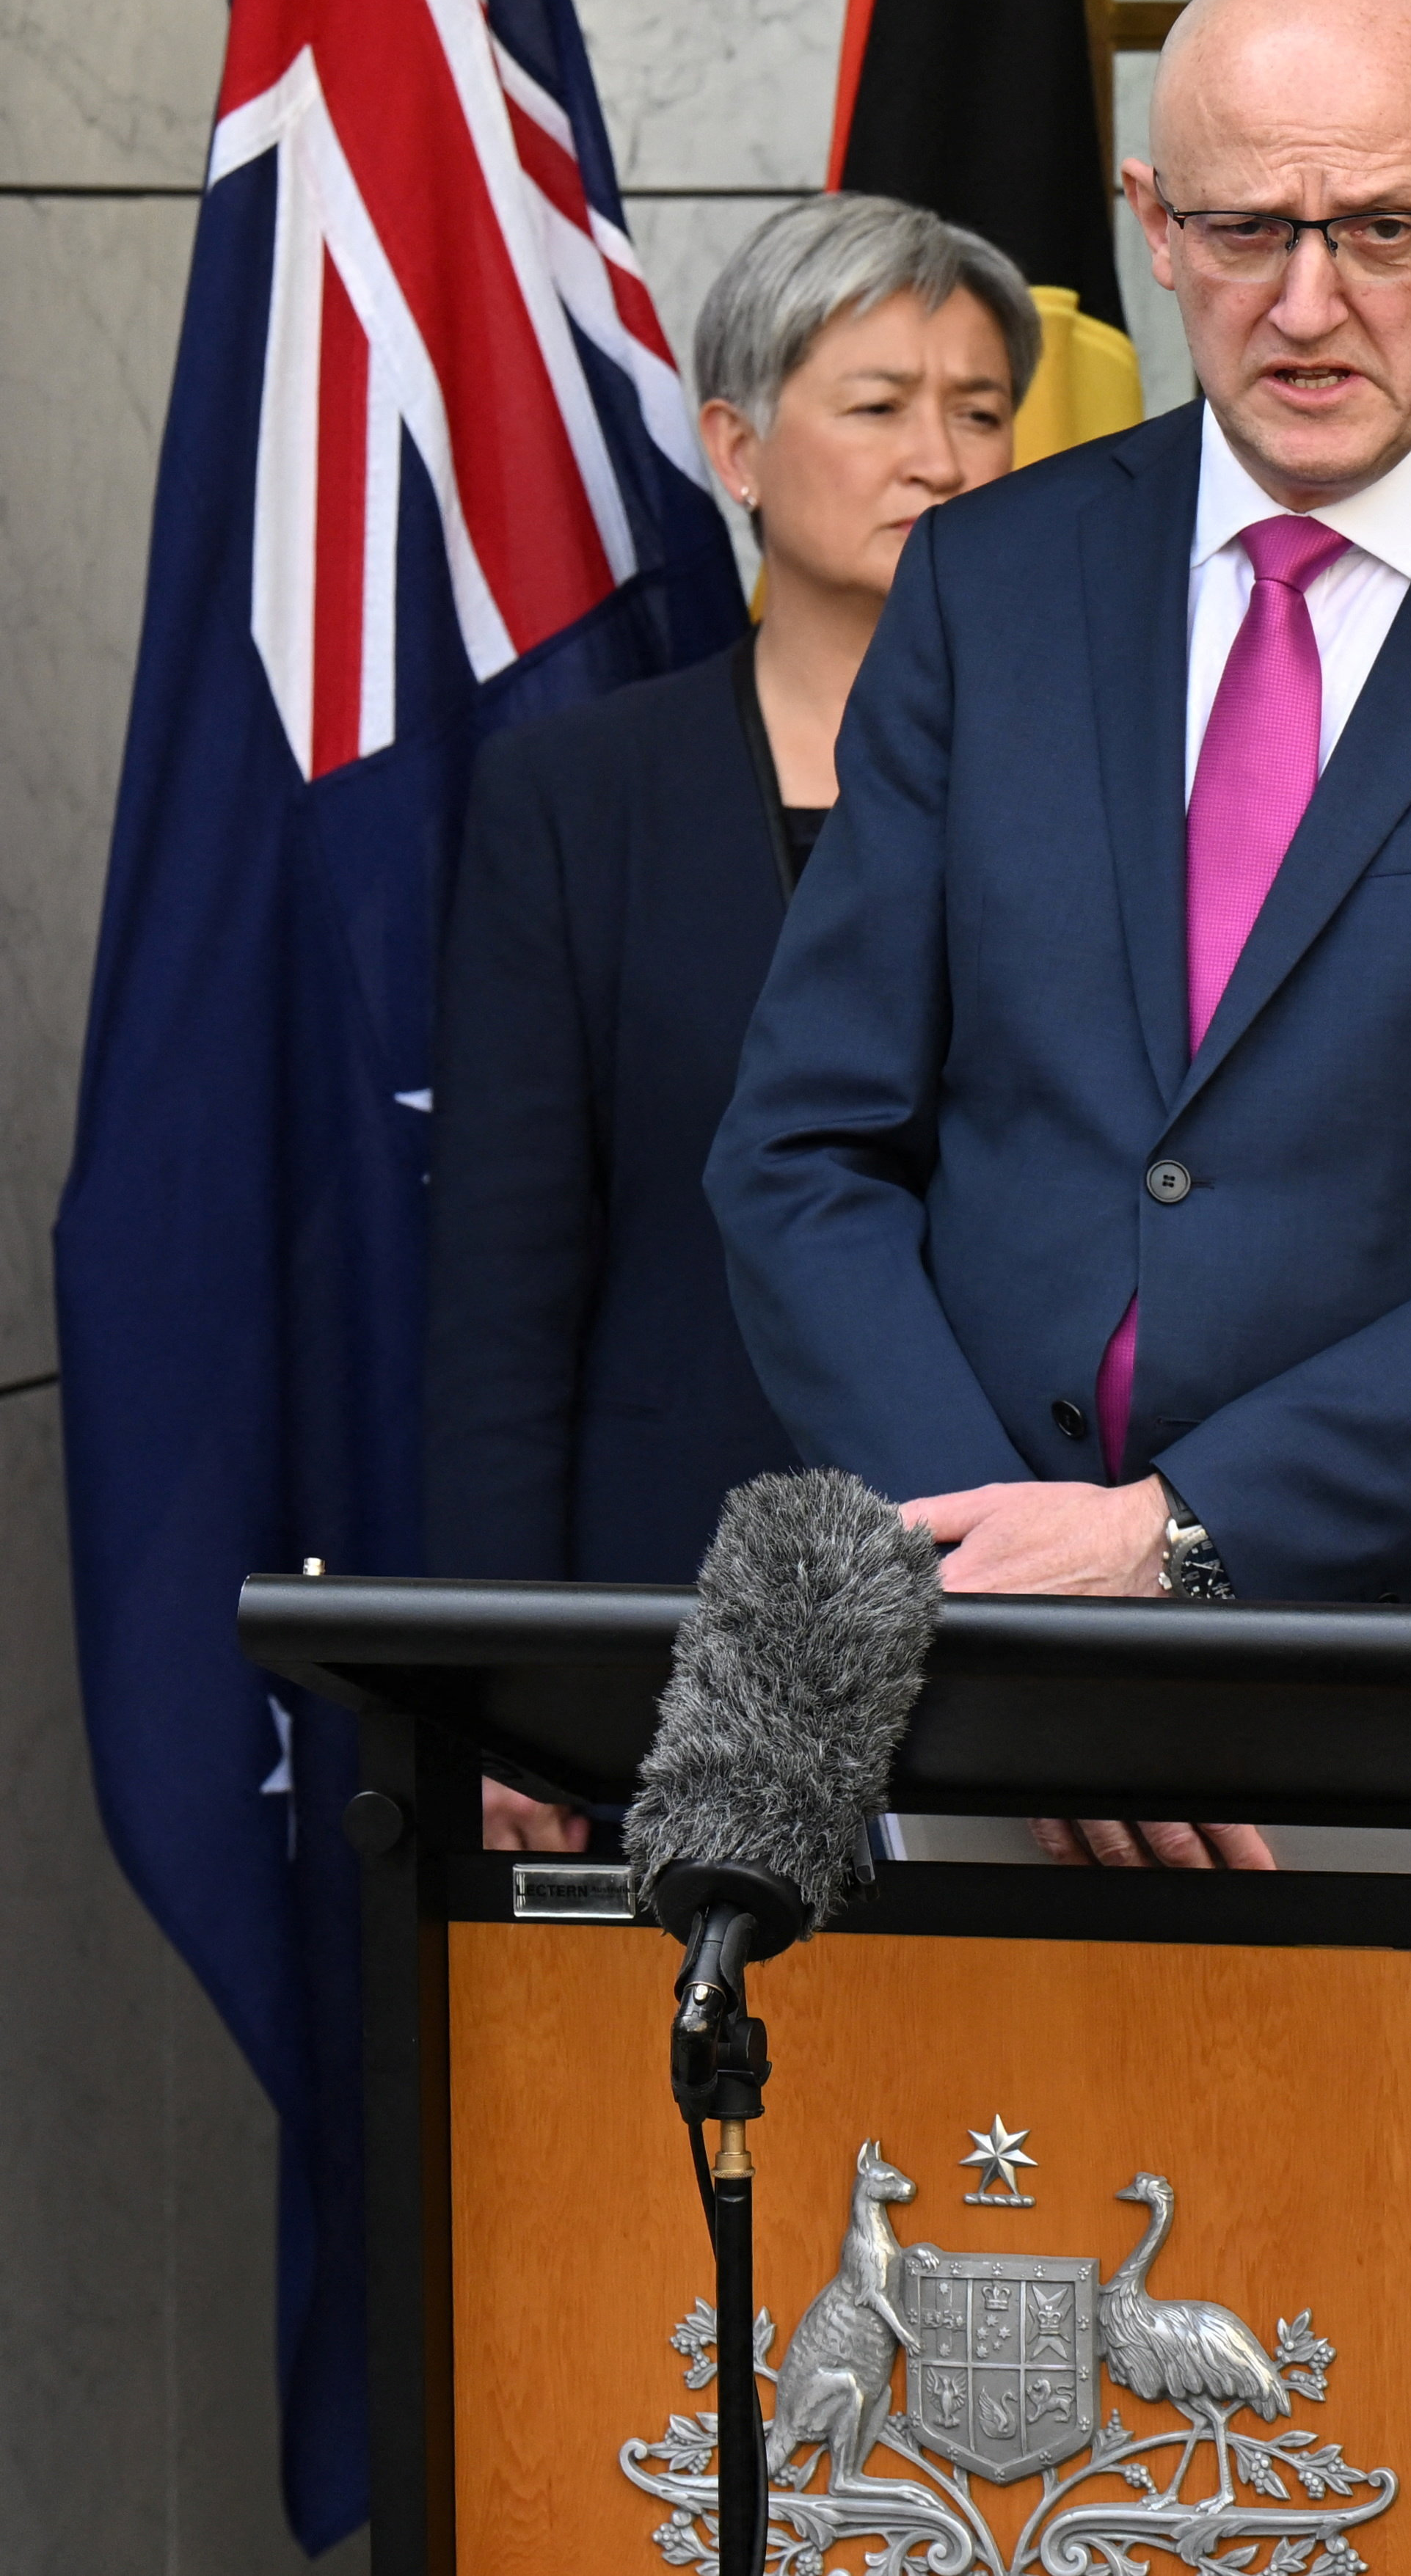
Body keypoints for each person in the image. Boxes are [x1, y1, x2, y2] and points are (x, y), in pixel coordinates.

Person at [707, 0, 1411, 1697]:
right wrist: (988, 1560)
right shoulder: (992, 579)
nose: (1307, 304)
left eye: (1381, 229)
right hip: (958, 1643)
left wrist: (1172, 1538)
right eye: (1244, 233)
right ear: (1153, 224)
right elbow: (802, 1145)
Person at [430, 193, 1029, 1852]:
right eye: (879, 404)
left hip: (1020, 1593)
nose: (942, 456)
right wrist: (504, 1678)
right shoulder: (581, 796)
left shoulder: (1101, 791)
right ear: (737, 447)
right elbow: (507, 1270)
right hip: (673, 1595)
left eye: (980, 411)